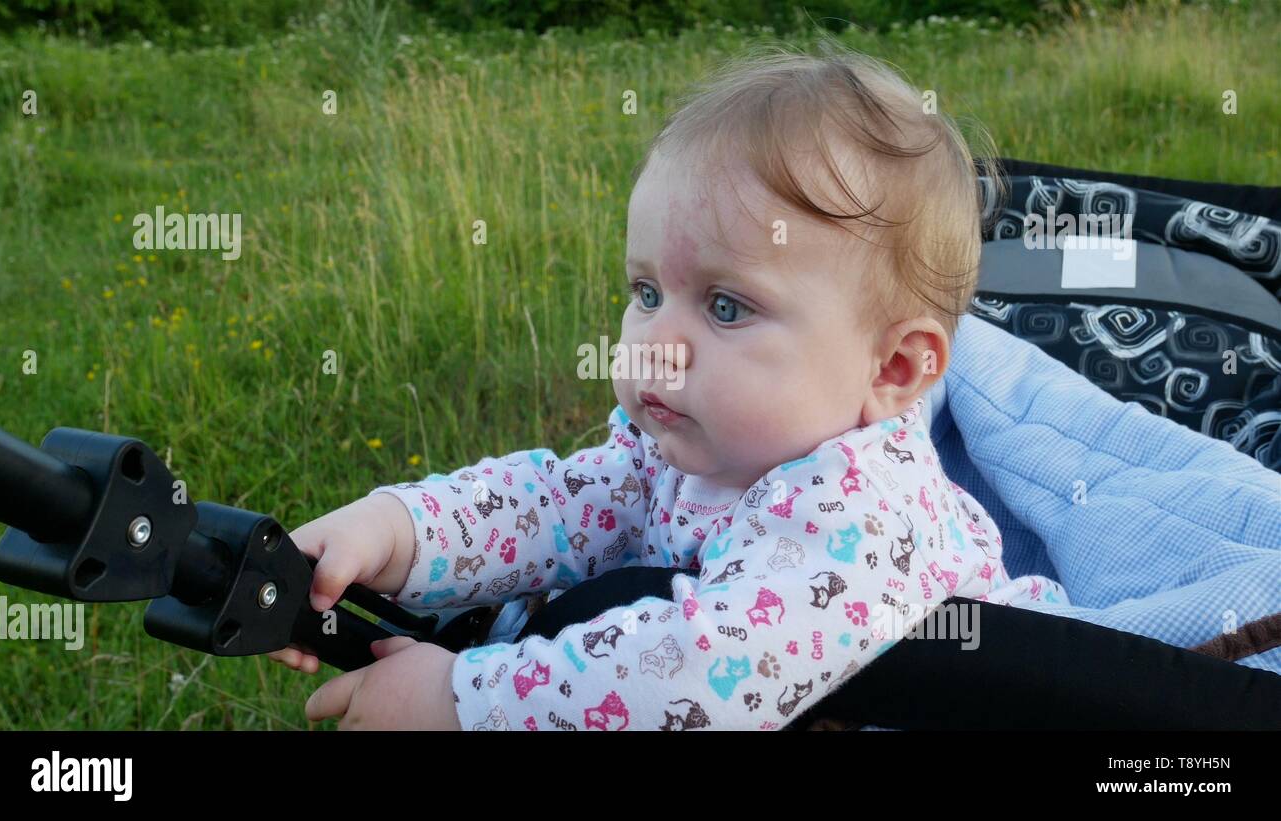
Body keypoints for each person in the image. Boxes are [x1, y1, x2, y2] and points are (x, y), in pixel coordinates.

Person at [270, 39, 1067, 730]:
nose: (656, 343)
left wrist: (464, 699)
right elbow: (560, 506)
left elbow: (699, 679)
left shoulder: (861, 512)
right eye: (646, 292)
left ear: (891, 369)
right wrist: (397, 533)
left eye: (727, 306)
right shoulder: (697, 446)